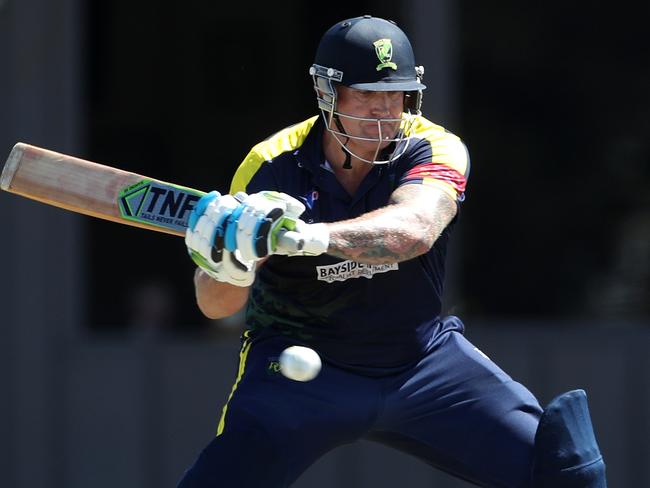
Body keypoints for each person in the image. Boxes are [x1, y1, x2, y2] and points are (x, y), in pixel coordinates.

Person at [178, 15, 606, 488]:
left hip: (421, 362)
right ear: (327, 94)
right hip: (296, 369)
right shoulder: (269, 165)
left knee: (565, 473)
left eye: (395, 94)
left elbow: (416, 230)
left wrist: (311, 238)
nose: (384, 111)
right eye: (366, 94)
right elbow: (214, 305)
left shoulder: (435, 145)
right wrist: (232, 260)